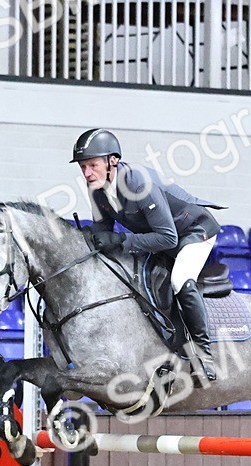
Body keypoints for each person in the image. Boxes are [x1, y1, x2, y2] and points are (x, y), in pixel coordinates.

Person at [70, 128, 222, 382]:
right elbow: (102, 229)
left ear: (113, 160)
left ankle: (204, 354)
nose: (87, 173)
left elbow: (168, 237)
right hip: (160, 239)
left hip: (193, 233)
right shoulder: (97, 188)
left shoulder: (139, 183)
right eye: (83, 167)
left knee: (179, 280)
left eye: (92, 165)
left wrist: (121, 240)